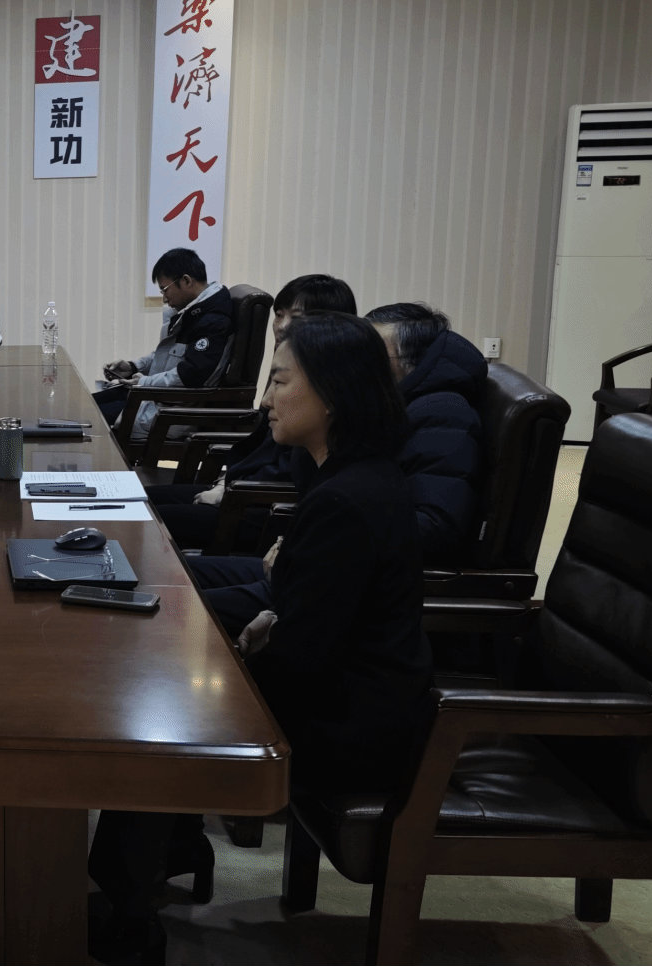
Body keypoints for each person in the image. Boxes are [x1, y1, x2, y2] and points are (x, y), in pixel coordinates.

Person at [90, 314, 429, 962]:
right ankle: (167, 855)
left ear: (332, 394)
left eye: (280, 381)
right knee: (167, 656)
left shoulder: (347, 499)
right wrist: (263, 625)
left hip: (354, 724)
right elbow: (315, 618)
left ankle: (131, 917)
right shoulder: (347, 474)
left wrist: (236, 655)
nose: (267, 398)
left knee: (160, 706)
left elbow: (303, 661)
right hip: (350, 692)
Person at [150, 274, 358, 549]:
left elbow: (296, 464)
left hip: (264, 505)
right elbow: (264, 444)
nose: (282, 326)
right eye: (279, 315)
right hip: (244, 486)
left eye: (297, 317)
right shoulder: (292, 362)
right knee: (144, 501)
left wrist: (235, 487)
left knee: (148, 521)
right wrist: (227, 480)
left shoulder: (329, 382)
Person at [367, 302, 486, 567]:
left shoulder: (443, 412)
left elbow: (436, 528)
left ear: (412, 361)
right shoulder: (396, 405)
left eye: (372, 352)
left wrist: (341, 533)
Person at [97, 248, 235, 439]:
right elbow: (168, 357)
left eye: (165, 289)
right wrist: (133, 366)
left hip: (173, 413)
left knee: (90, 418)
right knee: (88, 403)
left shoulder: (213, 320)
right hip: (157, 400)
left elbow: (190, 375)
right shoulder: (193, 311)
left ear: (186, 281)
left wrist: (144, 382)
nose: (164, 298)